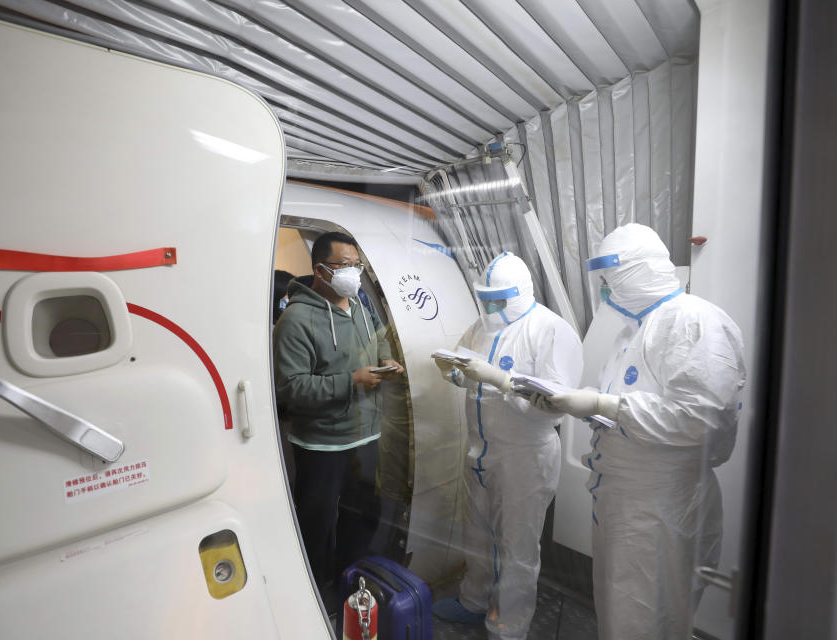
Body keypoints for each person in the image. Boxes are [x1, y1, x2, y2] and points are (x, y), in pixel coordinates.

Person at [531, 223, 746, 639]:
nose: (605, 289)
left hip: (661, 508)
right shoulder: (637, 330)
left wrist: (600, 404)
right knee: (621, 613)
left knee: (646, 620)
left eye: (610, 279)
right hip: (629, 503)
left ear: (634, 273)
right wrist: (580, 403)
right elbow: (635, 408)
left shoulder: (692, 321)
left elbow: (700, 419)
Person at [431, 251, 583, 640]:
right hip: (481, 449)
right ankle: (474, 601)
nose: (491, 307)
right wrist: (454, 373)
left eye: (499, 299)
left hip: (525, 456)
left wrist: (502, 381)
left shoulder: (551, 330)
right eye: (486, 298)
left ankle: (508, 626)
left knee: (516, 546)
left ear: (519, 294)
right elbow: (465, 366)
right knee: (478, 533)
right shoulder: (482, 326)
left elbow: (554, 407)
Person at [273, 231, 404, 604]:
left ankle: (350, 584)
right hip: (322, 442)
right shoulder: (296, 321)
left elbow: (378, 338)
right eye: (345, 265)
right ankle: (313, 596)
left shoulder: (359, 305)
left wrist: (384, 361)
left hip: (365, 436)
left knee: (362, 517)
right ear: (320, 270)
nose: (354, 273)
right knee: (317, 524)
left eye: (357, 265)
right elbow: (291, 388)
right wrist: (351, 382)